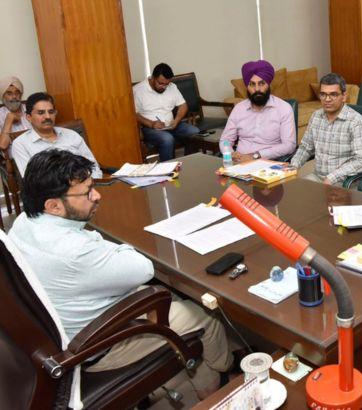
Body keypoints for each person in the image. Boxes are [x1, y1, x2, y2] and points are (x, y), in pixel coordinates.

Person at [8, 149, 233, 399]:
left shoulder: (23, 222)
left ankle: (202, 371)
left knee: (171, 296)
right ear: (53, 205)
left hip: (61, 327)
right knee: (206, 316)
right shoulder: (75, 250)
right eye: (87, 192)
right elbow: (143, 269)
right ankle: (221, 381)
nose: (97, 196)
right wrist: (106, 244)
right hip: (98, 344)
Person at [290, 73, 362, 186]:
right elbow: (306, 147)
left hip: (344, 182)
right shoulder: (316, 116)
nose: (327, 99)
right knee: (292, 190)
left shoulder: (356, 122)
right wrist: (292, 167)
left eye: (333, 94)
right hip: (317, 177)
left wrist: (332, 177)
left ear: (344, 96)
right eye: (323, 94)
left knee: (314, 197)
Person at [11, 92, 102, 178]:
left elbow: (94, 167)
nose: (47, 117)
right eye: (41, 113)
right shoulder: (21, 144)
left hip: (87, 184)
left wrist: (88, 184)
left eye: (51, 112)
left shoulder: (72, 135)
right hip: (52, 189)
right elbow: (31, 181)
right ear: (29, 117)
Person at [219, 60, 295, 162]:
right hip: (238, 162)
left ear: (268, 85)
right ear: (247, 87)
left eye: (261, 83)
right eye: (252, 84)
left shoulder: (284, 108)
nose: (257, 89)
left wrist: (256, 156)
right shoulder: (239, 109)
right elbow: (225, 140)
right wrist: (230, 154)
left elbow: (289, 145)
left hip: (267, 163)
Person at [133, 63, 200, 161]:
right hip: (150, 129)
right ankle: (169, 168)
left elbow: (183, 105)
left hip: (171, 125)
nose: (164, 87)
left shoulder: (172, 87)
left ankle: (189, 162)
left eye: (166, 84)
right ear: (153, 78)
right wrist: (152, 124)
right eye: (161, 83)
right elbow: (134, 114)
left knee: (194, 132)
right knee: (167, 139)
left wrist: (176, 120)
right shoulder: (138, 90)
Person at [0, 76, 32, 149]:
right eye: (9, 93)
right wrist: (9, 119)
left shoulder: (31, 109)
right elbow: (2, 145)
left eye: (17, 93)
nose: (14, 96)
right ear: (3, 96)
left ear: (21, 95)